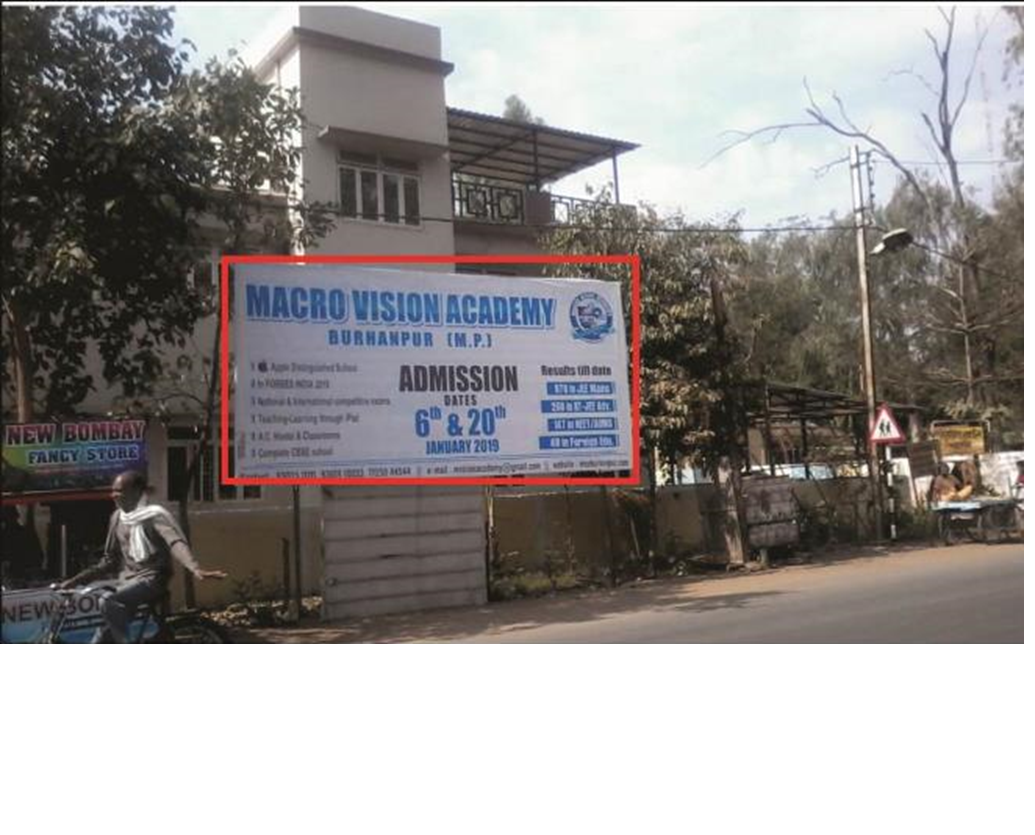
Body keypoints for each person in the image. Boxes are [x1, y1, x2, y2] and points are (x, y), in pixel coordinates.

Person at [60, 470, 226, 643]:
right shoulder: (117, 518)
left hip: (152, 579)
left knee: (107, 601)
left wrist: (194, 567)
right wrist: (76, 580)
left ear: (137, 492)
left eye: (120, 491)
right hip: (127, 580)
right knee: (103, 639)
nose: (114, 495)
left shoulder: (154, 516)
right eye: (113, 491)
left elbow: (174, 542)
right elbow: (109, 560)